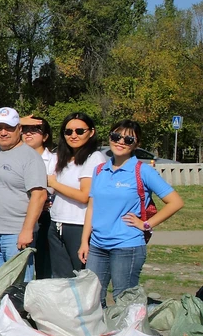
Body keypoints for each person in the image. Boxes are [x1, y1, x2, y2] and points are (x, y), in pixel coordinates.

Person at [80, 120, 184, 305]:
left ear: (137, 144)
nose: (120, 142)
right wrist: (84, 242)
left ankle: (127, 334)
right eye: (116, 136)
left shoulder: (142, 171)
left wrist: (145, 224)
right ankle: (102, 334)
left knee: (124, 301)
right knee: (92, 299)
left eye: (128, 139)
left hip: (127, 246)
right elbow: (92, 207)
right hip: (97, 246)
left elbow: (175, 202)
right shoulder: (99, 170)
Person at [0, 107, 47, 281]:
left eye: (9, 127)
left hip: (15, 234)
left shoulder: (30, 157)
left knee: (17, 287)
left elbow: (39, 196)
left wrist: (27, 230)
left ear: (19, 129)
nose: (3, 132)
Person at [47, 112, 107, 278]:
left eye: (80, 131)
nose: (73, 135)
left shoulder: (94, 158)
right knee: (60, 278)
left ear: (91, 132)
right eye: (68, 132)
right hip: (57, 223)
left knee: (81, 277)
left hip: (78, 224)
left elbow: (84, 195)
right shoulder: (63, 158)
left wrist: (54, 184)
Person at [21, 114, 56, 278]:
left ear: (45, 136)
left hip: (45, 218)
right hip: (20, 216)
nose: (28, 133)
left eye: (35, 130)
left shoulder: (55, 160)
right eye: (25, 129)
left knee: (44, 266)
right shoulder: (17, 158)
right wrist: (18, 120)